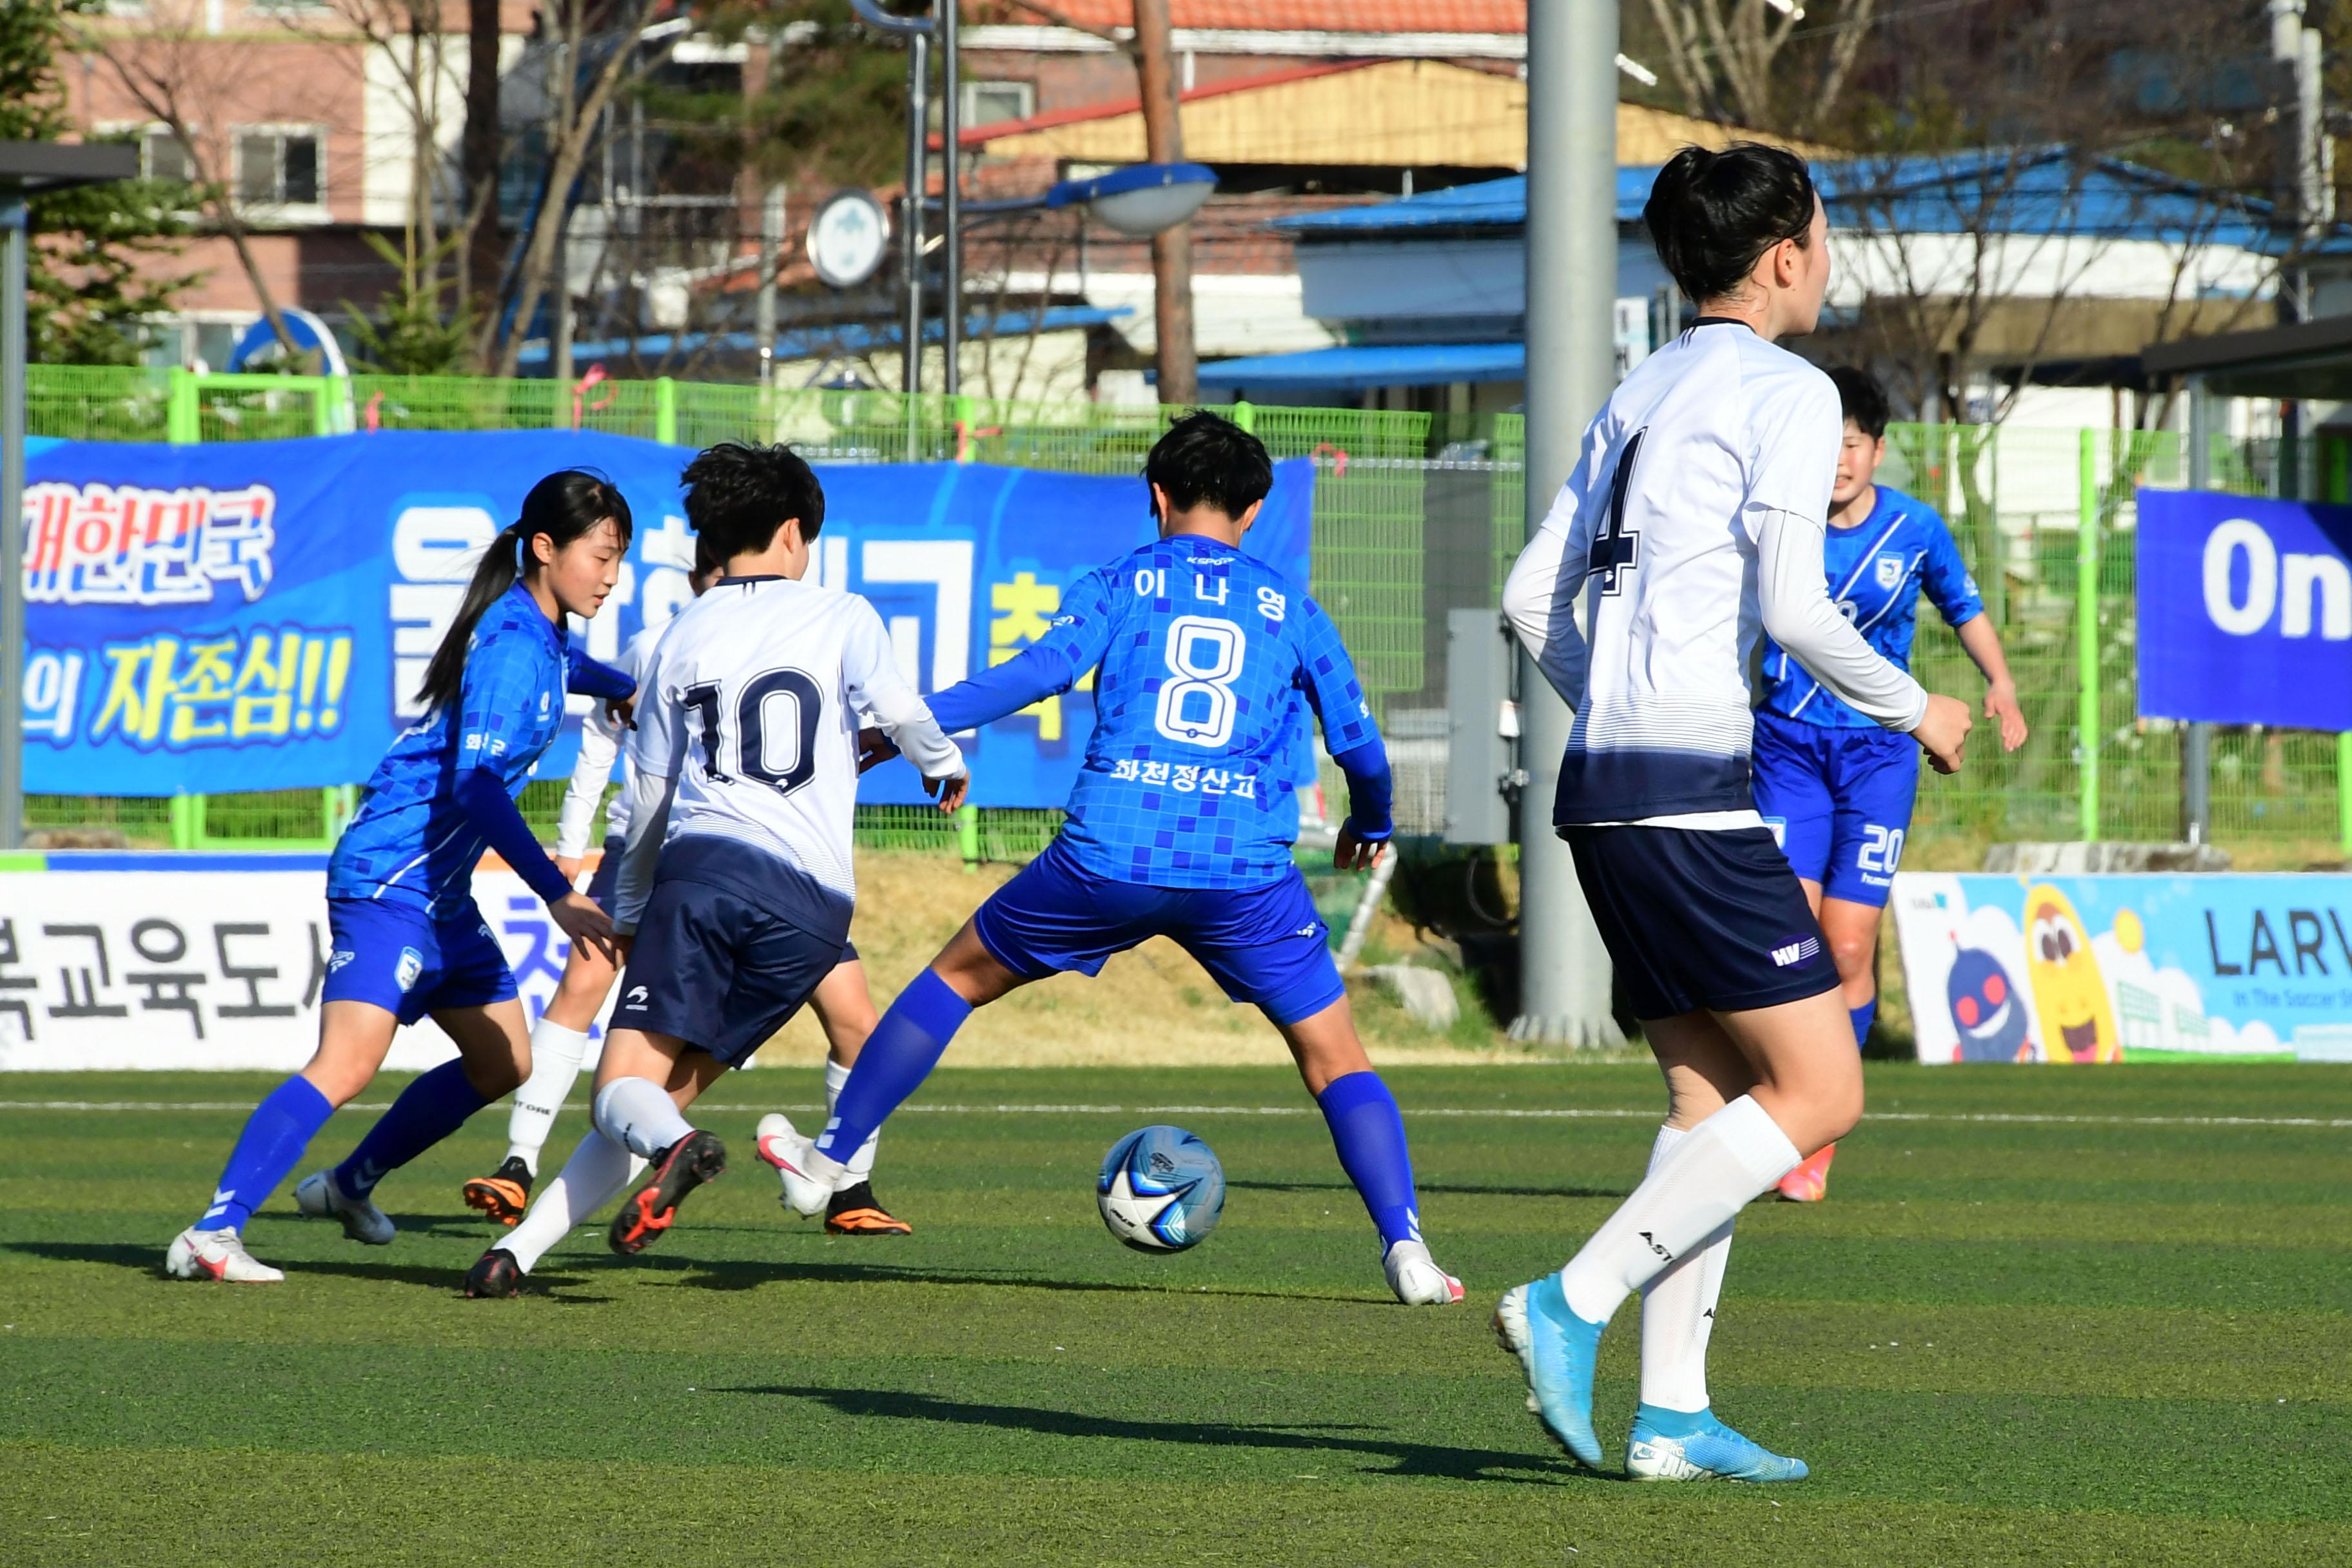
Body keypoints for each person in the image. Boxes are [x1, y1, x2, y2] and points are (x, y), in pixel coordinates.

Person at [1494, 144, 1973, 1478]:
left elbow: (1530, 601)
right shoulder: (1790, 391)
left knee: (1710, 1096)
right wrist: (1915, 709)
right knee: (1823, 1089)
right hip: (1695, 796)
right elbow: (1796, 610)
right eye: (1824, 237)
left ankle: (1673, 1415)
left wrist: (1622, 701)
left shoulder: (1639, 387)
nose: (1831, 259)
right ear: (1782, 256)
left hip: (1601, 788)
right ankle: (1568, 1300)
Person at [759, 411, 1467, 1309]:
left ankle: (828, 1162)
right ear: (1253, 511)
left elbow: (1035, 674)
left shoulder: (1122, 582)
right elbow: (1363, 750)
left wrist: (907, 729)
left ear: (1158, 497)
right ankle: (1405, 1247)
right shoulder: (1293, 608)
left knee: (954, 980)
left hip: (1111, 853)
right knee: (1337, 1060)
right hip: (1241, 872)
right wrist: (1372, 821)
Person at [464, 442, 965, 1297]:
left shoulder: (679, 636)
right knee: (654, 1098)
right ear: (793, 534)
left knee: (621, 1092)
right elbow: (904, 712)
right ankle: (522, 1253)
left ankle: (675, 1152)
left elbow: (650, 797)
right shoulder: (844, 615)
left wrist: (626, 909)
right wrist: (941, 764)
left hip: (707, 881)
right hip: (813, 914)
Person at [166, 471, 636, 1282]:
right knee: (347, 1063)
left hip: (441, 896)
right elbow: (475, 786)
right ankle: (214, 1230)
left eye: (619, 557)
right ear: (546, 549)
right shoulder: (516, 645)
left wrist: (625, 686)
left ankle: (350, 1184)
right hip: (390, 878)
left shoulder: (542, 632)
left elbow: (570, 668)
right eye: (601, 554)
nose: (611, 574)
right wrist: (557, 891)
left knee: (505, 1063)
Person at [1752, 366, 2029, 1202]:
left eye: (1853, 444)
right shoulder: (1779, 523)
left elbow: (1964, 606)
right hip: (1787, 749)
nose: (1838, 460)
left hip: (1878, 755)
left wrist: (2002, 683)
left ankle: (1818, 1136)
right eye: (1826, 443)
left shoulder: (1916, 528)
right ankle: (1774, 1107)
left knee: (1845, 950)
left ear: (1875, 449)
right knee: (1784, 942)